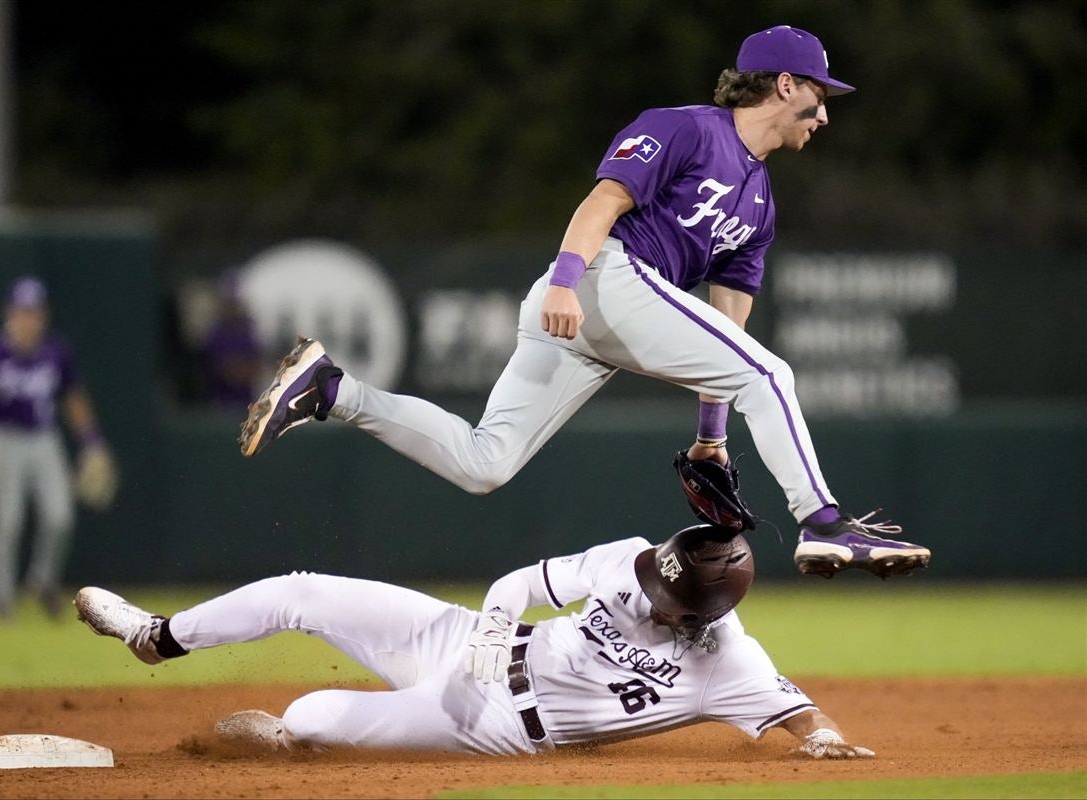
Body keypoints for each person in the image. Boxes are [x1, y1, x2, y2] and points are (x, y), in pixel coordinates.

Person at [237, 25, 929, 579]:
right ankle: (822, 522)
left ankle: (333, 390)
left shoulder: (762, 204)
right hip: (602, 276)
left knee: (486, 464)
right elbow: (603, 200)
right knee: (774, 374)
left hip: (604, 315)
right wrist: (568, 279)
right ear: (784, 85)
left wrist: (711, 438)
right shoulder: (688, 128)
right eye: (819, 93)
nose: (826, 113)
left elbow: (728, 324)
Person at [74, 524, 875, 758]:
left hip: (488, 728)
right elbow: (520, 584)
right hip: (467, 642)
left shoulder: (726, 661)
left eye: (670, 599)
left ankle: (288, 742)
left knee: (310, 716)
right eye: (656, 579)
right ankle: (155, 637)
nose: (650, 595)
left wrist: (824, 739)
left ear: (708, 614)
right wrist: (490, 639)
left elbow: (798, 713)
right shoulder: (631, 562)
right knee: (300, 592)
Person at [0, 276, 110, 619]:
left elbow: (73, 397)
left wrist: (92, 440)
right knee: (8, 522)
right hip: (4, 439)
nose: (28, 319)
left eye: (34, 312)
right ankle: (3, 601)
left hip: (44, 438)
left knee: (60, 516)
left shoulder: (56, 351)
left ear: (43, 316)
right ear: (9, 314)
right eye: (22, 312)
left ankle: (43, 580)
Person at [201, 270, 264, 412]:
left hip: (248, 404)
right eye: (228, 300)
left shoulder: (247, 330)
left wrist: (243, 369)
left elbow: (257, 368)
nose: (232, 305)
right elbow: (226, 373)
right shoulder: (215, 334)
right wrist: (238, 369)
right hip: (222, 405)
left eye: (234, 300)